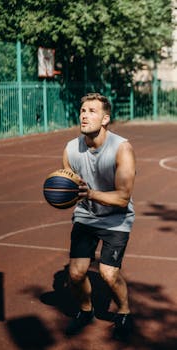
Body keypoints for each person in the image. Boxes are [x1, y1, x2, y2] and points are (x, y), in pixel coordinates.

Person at [62, 92, 136, 340]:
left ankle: (124, 311)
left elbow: (123, 197)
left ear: (105, 119)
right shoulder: (71, 149)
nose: (84, 115)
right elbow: (68, 188)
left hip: (117, 218)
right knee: (75, 274)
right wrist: (62, 195)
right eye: (83, 110)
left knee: (108, 273)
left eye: (92, 111)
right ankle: (86, 310)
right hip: (86, 215)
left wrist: (91, 193)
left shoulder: (121, 148)